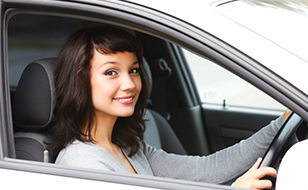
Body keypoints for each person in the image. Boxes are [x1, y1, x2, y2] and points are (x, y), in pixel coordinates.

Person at [52, 26, 289, 189]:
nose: (129, 84)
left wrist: (283, 122)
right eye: (111, 72)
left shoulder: (128, 147)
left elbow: (208, 169)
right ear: (80, 80)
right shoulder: (81, 164)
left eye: (133, 70)